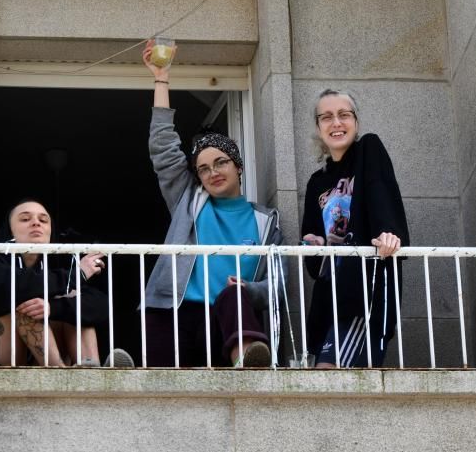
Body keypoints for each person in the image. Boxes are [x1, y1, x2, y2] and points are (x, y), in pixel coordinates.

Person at [142, 39, 283, 368]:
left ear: (238, 166)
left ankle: (246, 358)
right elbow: (163, 147)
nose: (212, 172)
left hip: (226, 323)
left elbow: (277, 284)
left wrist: (249, 289)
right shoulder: (189, 200)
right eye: (203, 168)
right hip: (174, 313)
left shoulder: (265, 222)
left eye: (220, 162)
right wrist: (160, 78)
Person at [301, 89, 410, 368]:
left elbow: (380, 190)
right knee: (327, 386)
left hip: (364, 293)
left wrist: (388, 232)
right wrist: (312, 243)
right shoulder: (317, 182)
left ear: (356, 122)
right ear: (318, 128)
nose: (336, 123)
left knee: (328, 375)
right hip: (329, 300)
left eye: (343, 115)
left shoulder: (367, 150)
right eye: (326, 117)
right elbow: (313, 247)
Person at [0, 198, 133, 368]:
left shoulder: (60, 263)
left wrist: (52, 307)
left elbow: (101, 306)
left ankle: (89, 369)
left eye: (43, 220)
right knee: (24, 304)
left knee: (75, 300)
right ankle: (59, 371)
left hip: (37, 358)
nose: (36, 223)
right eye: (25, 219)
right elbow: (20, 286)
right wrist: (76, 274)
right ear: (10, 231)